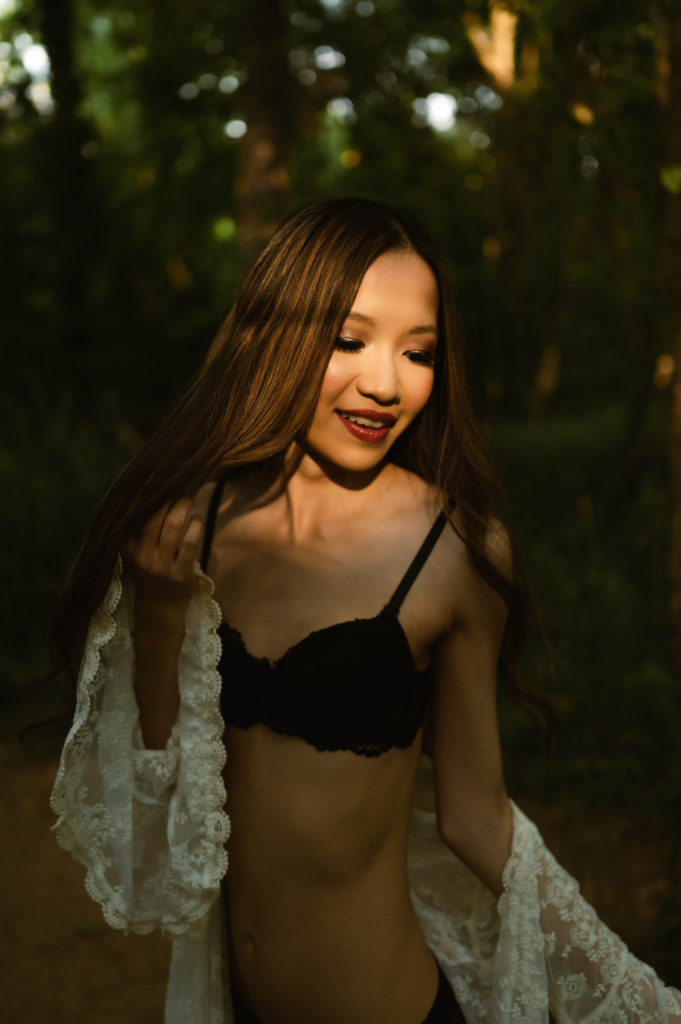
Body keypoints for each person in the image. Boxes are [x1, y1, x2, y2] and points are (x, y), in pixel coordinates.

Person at [49, 198, 681, 1024]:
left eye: (418, 352)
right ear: (273, 335)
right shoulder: (194, 533)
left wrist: (635, 999)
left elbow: (477, 818)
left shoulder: (454, 552)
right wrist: (164, 616)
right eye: (348, 341)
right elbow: (165, 822)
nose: (384, 383)